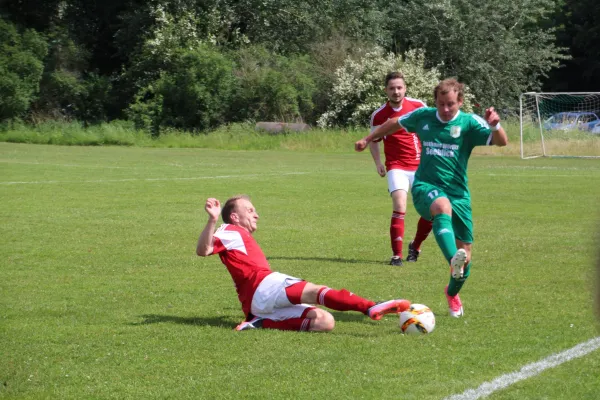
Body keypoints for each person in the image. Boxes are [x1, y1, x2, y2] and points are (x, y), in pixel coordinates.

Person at [355, 78, 508, 318]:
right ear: (435, 102)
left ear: (460, 101)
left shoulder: (469, 122)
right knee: (441, 205)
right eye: (441, 104)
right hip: (425, 186)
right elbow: (394, 123)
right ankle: (452, 261)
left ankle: (452, 292)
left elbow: (501, 142)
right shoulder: (423, 116)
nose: (445, 110)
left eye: (450, 105)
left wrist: (495, 126)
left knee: (466, 258)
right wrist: (369, 138)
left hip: (460, 194)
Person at [196, 195, 411, 332]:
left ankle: (260, 322)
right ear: (234, 216)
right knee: (315, 291)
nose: (257, 215)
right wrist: (213, 220)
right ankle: (369, 307)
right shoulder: (230, 230)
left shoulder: (238, 235)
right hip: (262, 286)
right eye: (250, 210)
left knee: (325, 321)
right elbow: (203, 250)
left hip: (258, 303)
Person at [368, 71, 433, 267]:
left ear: (405, 88)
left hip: (420, 166)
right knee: (400, 205)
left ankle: (416, 245)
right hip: (396, 166)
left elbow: (433, 129)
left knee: (431, 211)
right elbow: (373, 140)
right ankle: (396, 255)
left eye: (399, 87)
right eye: (392, 88)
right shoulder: (379, 115)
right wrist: (378, 162)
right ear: (386, 90)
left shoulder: (418, 106)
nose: (396, 91)